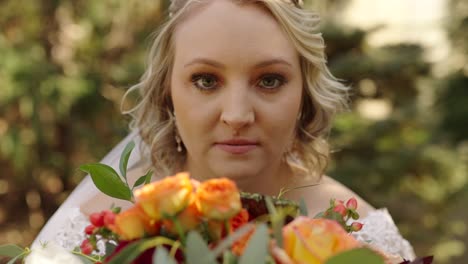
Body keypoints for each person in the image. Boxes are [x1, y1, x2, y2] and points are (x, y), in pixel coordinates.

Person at [34, 0, 415, 260]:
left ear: (305, 91)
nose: (237, 115)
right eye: (205, 80)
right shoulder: (95, 234)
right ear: (167, 91)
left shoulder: (361, 237)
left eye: (269, 80)